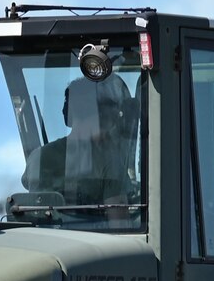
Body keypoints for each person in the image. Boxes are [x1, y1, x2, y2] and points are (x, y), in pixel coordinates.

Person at [23, 73, 138, 210]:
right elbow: (119, 222)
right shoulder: (109, 161)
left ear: (68, 113)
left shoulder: (37, 157)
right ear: (101, 114)